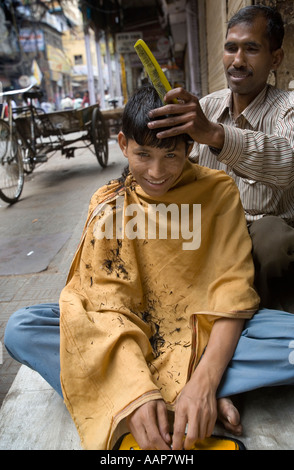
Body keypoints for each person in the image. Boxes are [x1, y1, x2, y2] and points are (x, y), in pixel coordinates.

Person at [4, 85, 294, 451]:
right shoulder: (110, 203)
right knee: (23, 328)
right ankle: (173, 401)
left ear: (190, 147)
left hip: (200, 335)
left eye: (170, 155)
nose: (157, 172)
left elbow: (232, 291)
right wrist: (135, 389)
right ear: (123, 145)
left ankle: (184, 394)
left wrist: (204, 379)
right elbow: (106, 305)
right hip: (128, 337)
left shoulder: (218, 191)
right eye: (143, 154)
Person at [147, 5, 294, 314]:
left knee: (273, 240)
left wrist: (216, 135)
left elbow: (288, 162)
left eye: (251, 49)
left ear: (275, 59)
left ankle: (268, 323)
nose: (237, 61)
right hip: (210, 228)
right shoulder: (206, 107)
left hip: (261, 234)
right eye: (231, 48)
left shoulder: (287, 108)